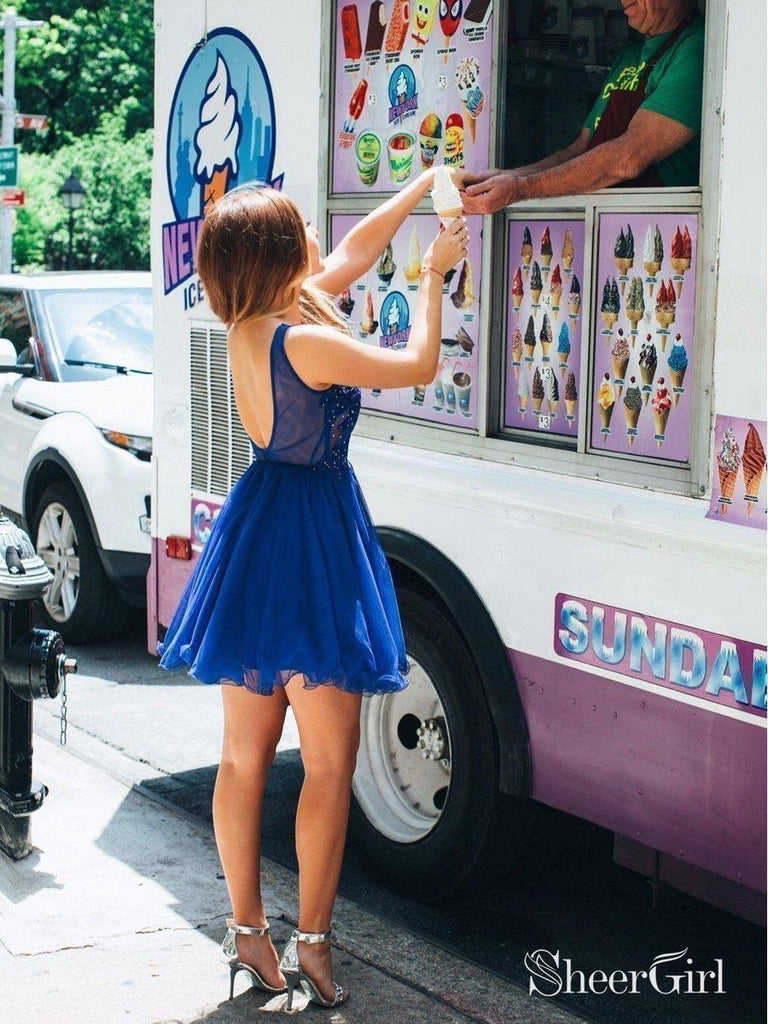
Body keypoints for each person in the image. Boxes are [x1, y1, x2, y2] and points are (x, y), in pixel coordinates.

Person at [157, 170, 466, 1011]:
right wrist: (435, 274)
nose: (313, 246)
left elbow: (357, 251)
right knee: (329, 764)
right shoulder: (308, 339)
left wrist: (420, 186)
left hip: (258, 531)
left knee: (241, 757)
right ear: (281, 252)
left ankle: (248, 932)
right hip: (318, 538)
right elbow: (419, 364)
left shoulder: (252, 324)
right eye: (298, 234)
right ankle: (316, 948)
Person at [463, 0, 704, 214]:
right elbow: (581, 148)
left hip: (659, 224)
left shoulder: (697, 49)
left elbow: (628, 157)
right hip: (605, 220)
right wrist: (510, 176)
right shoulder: (629, 56)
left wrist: (520, 189)